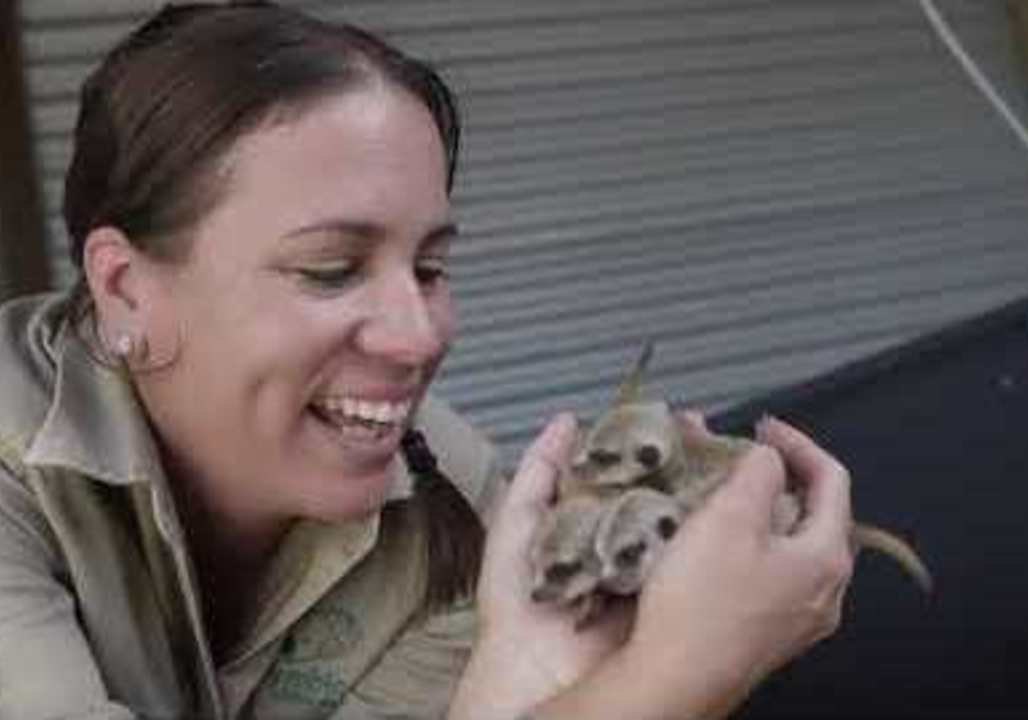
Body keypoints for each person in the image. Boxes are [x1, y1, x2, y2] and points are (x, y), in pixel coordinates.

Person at [0, 2, 854, 719]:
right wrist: (673, 681)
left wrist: (538, 675)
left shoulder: (445, 490)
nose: (421, 337)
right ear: (125, 290)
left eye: (431, 268)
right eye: (331, 270)